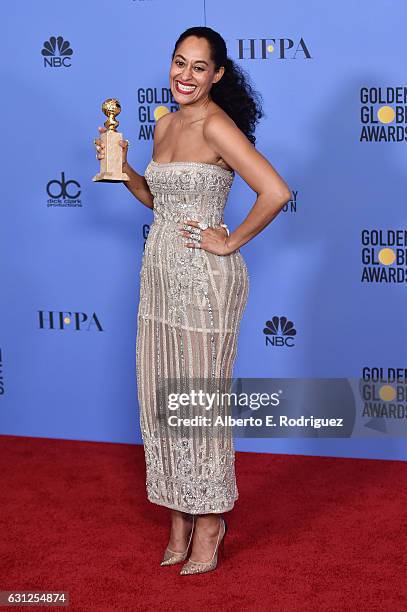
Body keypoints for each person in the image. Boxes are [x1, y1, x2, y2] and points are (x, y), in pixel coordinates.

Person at [94, 26, 291, 575]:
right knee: (161, 395)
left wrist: (228, 240)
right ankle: (179, 510)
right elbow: (161, 201)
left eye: (199, 67)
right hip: (157, 274)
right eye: (179, 63)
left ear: (218, 75)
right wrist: (123, 168)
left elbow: (275, 192)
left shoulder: (216, 125)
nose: (185, 75)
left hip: (204, 280)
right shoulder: (164, 122)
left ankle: (210, 519)